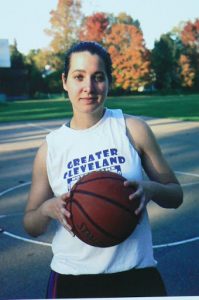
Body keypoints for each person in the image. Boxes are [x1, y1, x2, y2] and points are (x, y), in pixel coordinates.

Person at [23, 41, 183, 298]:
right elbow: (31, 224)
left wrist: (151, 189)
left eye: (98, 77)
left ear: (109, 81)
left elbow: (175, 195)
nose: (88, 87)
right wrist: (46, 209)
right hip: (73, 279)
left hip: (136, 273)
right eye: (79, 77)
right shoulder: (50, 149)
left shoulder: (132, 129)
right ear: (65, 81)